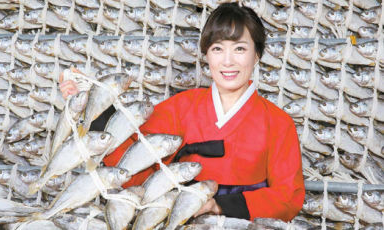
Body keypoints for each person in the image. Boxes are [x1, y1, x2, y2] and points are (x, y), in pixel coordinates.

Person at [60, 3, 305, 221]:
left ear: (257, 54)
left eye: (240, 49)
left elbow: (288, 197)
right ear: (207, 55)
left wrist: (218, 205)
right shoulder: (181, 107)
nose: (228, 61)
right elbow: (131, 161)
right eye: (218, 49)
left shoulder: (278, 123)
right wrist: (94, 107)